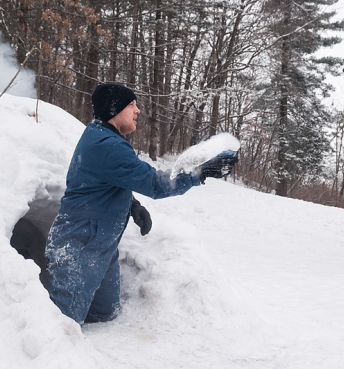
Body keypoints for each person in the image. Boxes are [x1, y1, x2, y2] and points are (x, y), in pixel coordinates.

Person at [45, 83, 238, 324]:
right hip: (81, 242)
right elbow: (157, 184)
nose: (138, 111)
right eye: (132, 105)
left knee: (104, 312)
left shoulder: (100, 135)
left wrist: (132, 205)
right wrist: (200, 172)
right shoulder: (108, 146)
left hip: (100, 243)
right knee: (61, 325)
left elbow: (106, 179)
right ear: (114, 109)